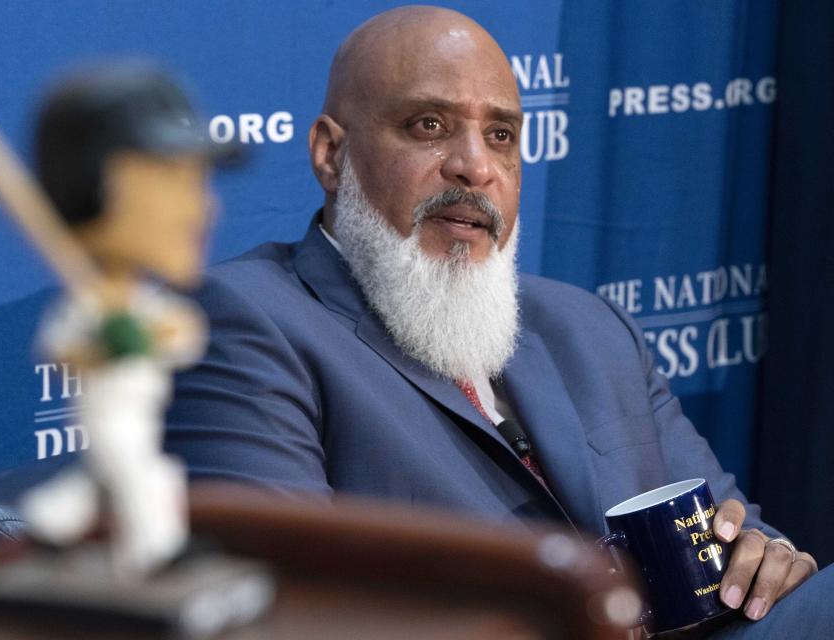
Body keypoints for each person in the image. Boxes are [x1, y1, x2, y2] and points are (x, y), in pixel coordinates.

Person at [164, 6, 831, 635]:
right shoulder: (245, 321)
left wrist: (763, 562)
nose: (475, 167)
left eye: (501, 135)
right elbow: (289, 609)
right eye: (428, 125)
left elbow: (735, 536)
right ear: (330, 155)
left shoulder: (590, 328)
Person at [17, 63, 222, 577]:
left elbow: (185, 337)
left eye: (199, 181)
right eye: (171, 180)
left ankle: (48, 522)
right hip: (107, 416)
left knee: (97, 483)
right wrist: (106, 345)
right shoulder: (85, 308)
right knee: (145, 477)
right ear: (91, 189)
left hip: (143, 411)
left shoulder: (137, 302)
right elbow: (60, 353)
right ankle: (155, 555)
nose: (204, 208)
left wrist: (152, 334)